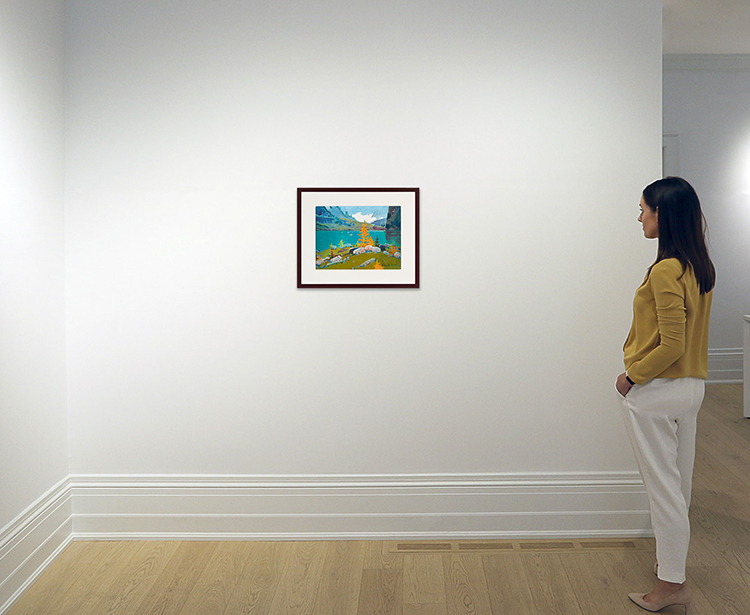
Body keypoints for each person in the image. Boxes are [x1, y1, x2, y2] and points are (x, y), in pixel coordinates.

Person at [616, 176, 715, 614]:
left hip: (658, 391)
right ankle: (672, 574)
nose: (639, 216)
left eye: (643, 209)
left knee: (664, 492)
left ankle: (670, 585)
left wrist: (632, 377)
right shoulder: (698, 266)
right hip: (691, 389)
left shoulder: (664, 269)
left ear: (663, 214)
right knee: (680, 486)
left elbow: (671, 343)